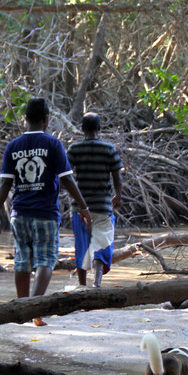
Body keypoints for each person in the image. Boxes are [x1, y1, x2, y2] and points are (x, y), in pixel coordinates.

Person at [0, 98, 92, 326]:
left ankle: (21, 309)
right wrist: (83, 207)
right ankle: (35, 310)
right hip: (45, 213)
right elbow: (67, 180)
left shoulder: (12, 146)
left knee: (22, 261)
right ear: (46, 119)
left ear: (26, 118)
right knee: (46, 260)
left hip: (20, 213)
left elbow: (5, 184)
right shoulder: (53, 144)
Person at [66, 112, 123, 288]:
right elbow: (117, 176)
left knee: (81, 246)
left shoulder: (74, 149)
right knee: (102, 245)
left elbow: (66, 176)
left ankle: (82, 286)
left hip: (80, 208)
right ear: (99, 128)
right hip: (103, 206)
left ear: (82, 129)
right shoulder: (109, 149)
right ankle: (96, 284)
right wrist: (118, 194)